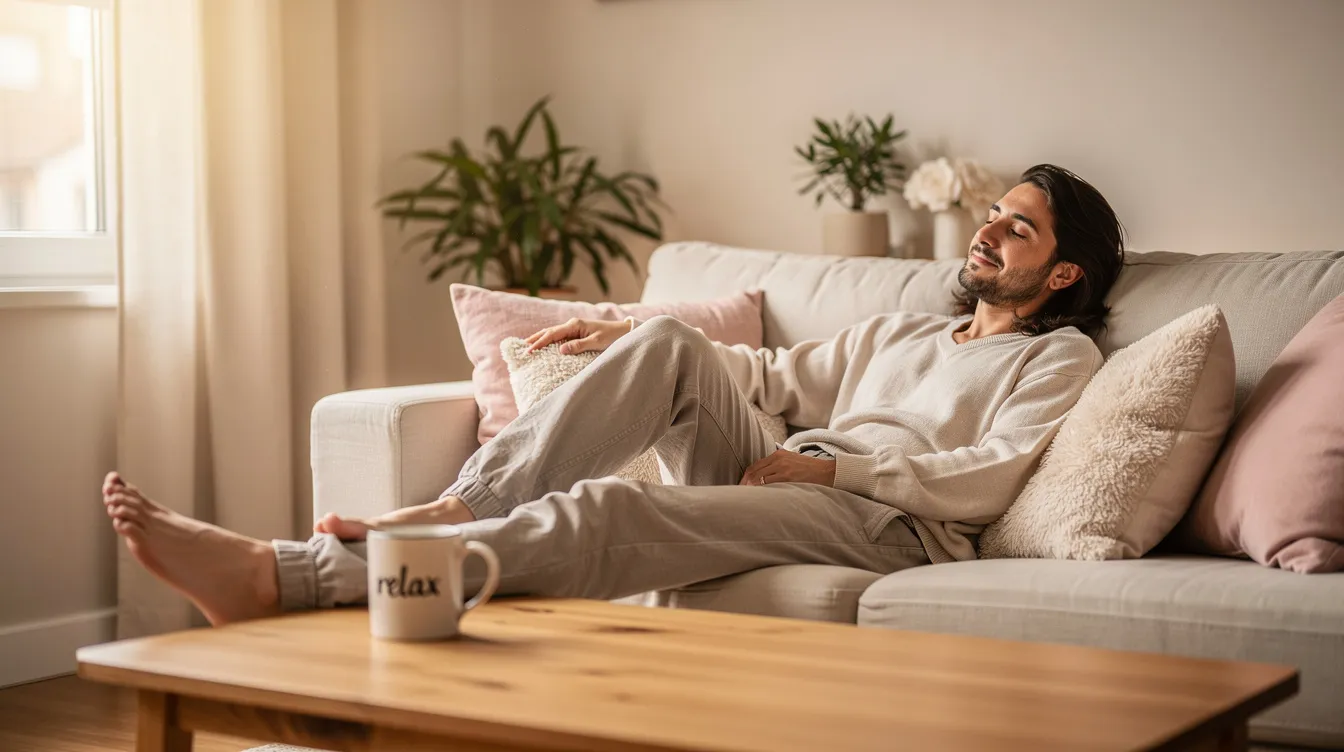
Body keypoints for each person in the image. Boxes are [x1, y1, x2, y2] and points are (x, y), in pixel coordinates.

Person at [102, 164, 1125, 626]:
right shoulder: (908, 326)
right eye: (991, 213)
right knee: (676, 340)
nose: (987, 231)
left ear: (1065, 271)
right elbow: (763, 376)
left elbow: (985, 478)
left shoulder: (1057, 358)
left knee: (614, 507)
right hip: (791, 462)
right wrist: (624, 331)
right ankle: (455, 506)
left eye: (1018, 227)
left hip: (890, 517)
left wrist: (838, 461)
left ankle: (289, 575)